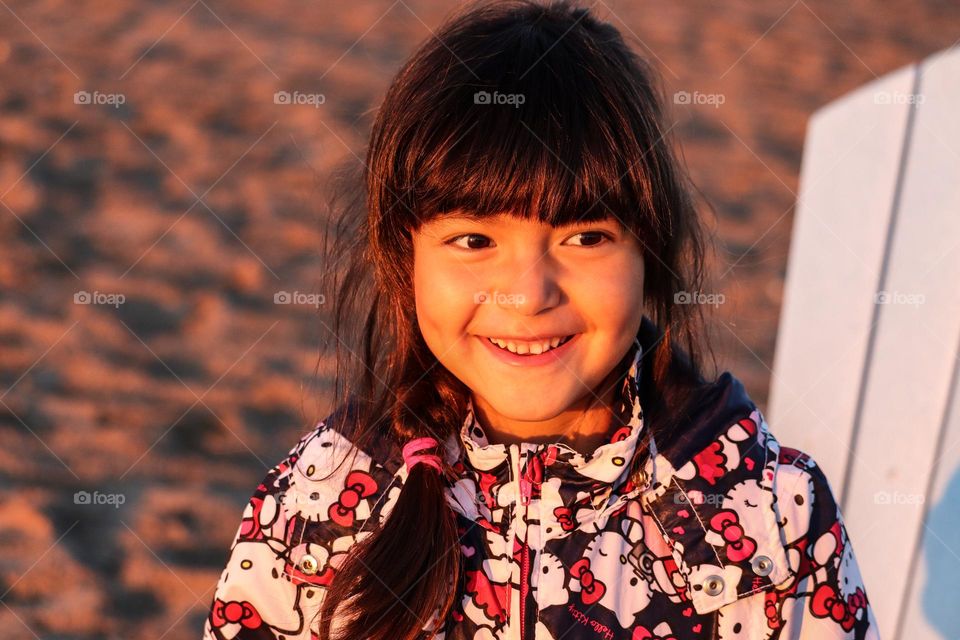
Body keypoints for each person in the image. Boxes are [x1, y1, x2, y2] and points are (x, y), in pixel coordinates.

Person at [202, 1, 879, 638]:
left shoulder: (768, 517)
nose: (526, 296)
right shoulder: (320, 502)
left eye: (585, 238)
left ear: (651, 253)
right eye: (474, 241)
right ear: (403, 259)